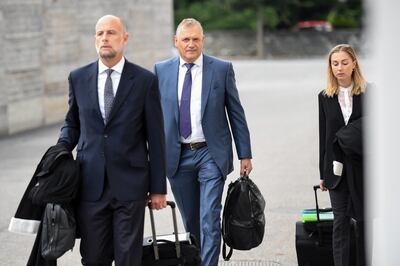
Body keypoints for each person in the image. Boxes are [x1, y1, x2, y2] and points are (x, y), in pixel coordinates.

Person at [57, 15, 167, 266]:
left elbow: (156, 137)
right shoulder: (78, 77)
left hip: (131, 184)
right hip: (89, 183)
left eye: (111, 33)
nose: (105, 38)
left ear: (124, 38)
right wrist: (60, 150)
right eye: (100, 34)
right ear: (95, 39)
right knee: (94, 257)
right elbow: (72, 123)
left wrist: (158, 187)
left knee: (129, 257)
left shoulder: (144, 81)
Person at [154, 18, 253, 266]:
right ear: (176, 42)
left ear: (203, 41)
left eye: (196, 39)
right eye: (185, 39)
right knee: (191, 222)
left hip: (210, 153)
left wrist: (245, 153)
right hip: (177, 156)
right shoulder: (160, 71)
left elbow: (236, 113)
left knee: (209, 217)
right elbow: (151, 119)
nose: (191, 44)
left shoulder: (221, 69)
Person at [318, 44, 367, 266]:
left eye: (344, 63)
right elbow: (324, 137)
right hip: (335, 168)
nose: (339, 68)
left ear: (354, 64)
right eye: (335, 63)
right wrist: (323, 172)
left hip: (362, 167)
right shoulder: (324, 96)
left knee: (364, 223)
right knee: (340, 223)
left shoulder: (369, 92)